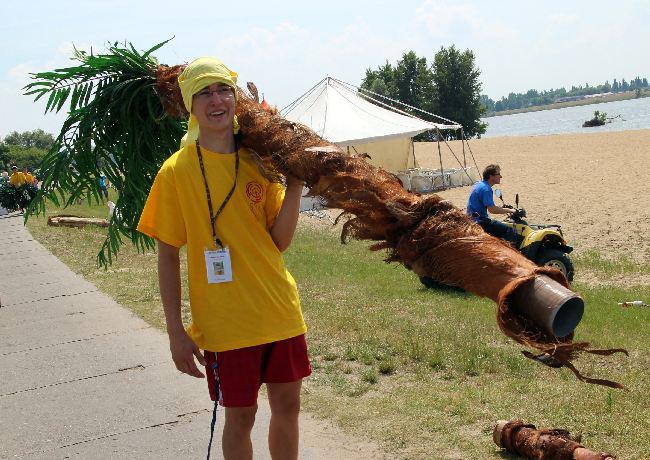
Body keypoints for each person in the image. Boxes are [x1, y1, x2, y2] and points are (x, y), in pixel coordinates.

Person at [137, 57, 310, 460]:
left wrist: (297, 182)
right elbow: (167, 256)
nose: (215, 100)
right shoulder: (175, 172)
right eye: (203, 92)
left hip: (279, 310)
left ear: (234, 98)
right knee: (241, 418)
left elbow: (278, 242)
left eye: (222, 90)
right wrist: (175, 332)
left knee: (289, 408)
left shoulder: (258, 162)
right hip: (225, 324)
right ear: (190, 105)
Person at [467, 164, 520, 244]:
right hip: (480, 221)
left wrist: (501, 208)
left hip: (471, 219)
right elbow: (492, 210)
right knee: (510, 230)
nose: (501, 176)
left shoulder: (479, 184)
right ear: (491, 176)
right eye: (498, 174)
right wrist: (510, 210)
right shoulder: (486, 189)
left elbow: (485, 204)